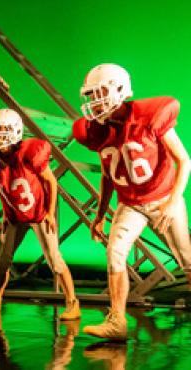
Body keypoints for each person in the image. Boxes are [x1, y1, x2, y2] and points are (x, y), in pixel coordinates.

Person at [73, 63, 191, 341]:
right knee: (114, 253)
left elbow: (184, 160)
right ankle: (117, 321)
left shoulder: (149, 116)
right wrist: (100, 214)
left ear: (118, 89)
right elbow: (107, 175)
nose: (93, 101)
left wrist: (173, 202)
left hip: (162, 197)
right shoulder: (97, 131)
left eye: (99, 92)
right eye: (90, 95)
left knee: (186, 259)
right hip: (130, 203)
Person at [0, 108, 80, 320]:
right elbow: (2, 188)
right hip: (14, 217)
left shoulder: (29, 152)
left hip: (38, 213)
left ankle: (72, 302)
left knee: (55, 261)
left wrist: (49, 212)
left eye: (1, 129)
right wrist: (5, 214)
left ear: (15, 130)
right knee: (2, 263)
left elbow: (51, 181)